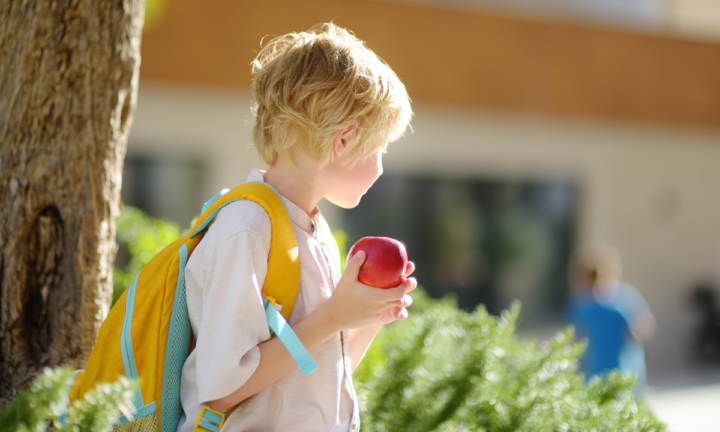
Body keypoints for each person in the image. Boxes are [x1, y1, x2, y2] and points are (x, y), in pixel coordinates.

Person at [177, 23, 415, 432]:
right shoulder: (248, 228)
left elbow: (312, 374)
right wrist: (333, 316)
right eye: (380, 149)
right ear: (345, 140)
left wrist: (370, 315)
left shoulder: (314, 232)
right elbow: (221, 389)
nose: (380, 166)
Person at [566, 243, 655, 395]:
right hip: (626, 376)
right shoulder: (624, 297)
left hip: (594, 378)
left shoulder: (581, 305)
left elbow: (573, 342)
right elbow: (644, 327)